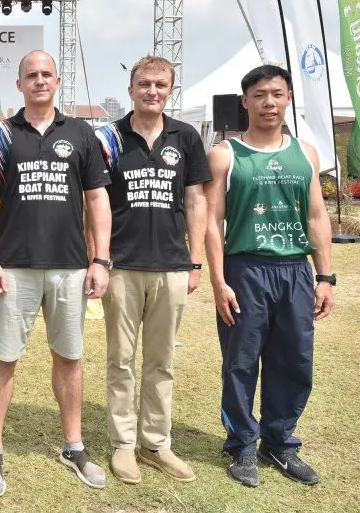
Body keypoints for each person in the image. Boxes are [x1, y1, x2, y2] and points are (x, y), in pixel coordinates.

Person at [0, 50, 113, 497]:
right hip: (14, 267)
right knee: (5, 357)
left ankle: (73, 445)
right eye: (30, 75)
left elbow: (97, 200)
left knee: (69, 357)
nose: (38, 81)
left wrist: (101, 258)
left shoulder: (81, 133)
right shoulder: (2, 133)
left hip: (70, 266)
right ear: (19, 85)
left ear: (58, 80)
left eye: (46, 74)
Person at [204, 65, 334, 487]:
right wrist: (219, 282)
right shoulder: (226, 153)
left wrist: (325, 276)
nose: (269, 102)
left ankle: (279, 442)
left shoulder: (306, 153)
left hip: (294, 269)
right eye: (259, 95)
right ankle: (242, 444)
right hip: (245, 269)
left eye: (277, 94)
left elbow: (316, 214)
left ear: (289, 98)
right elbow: (212, 222)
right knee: (240, 362)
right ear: (245, 101)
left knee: (294, 360)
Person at [94, 56, 210, 484]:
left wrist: (195, 259)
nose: (152, 91)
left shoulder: (187, 137)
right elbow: (97, 202)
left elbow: (197, 200)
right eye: (144, 84)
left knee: (162, 361)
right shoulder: (109, 138)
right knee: (120, 361)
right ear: (130, 90)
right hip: (122, 266)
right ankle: (123, 444)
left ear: (170, 90)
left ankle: (156, 442)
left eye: (161, 85)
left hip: (172, 267)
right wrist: (100, 259)